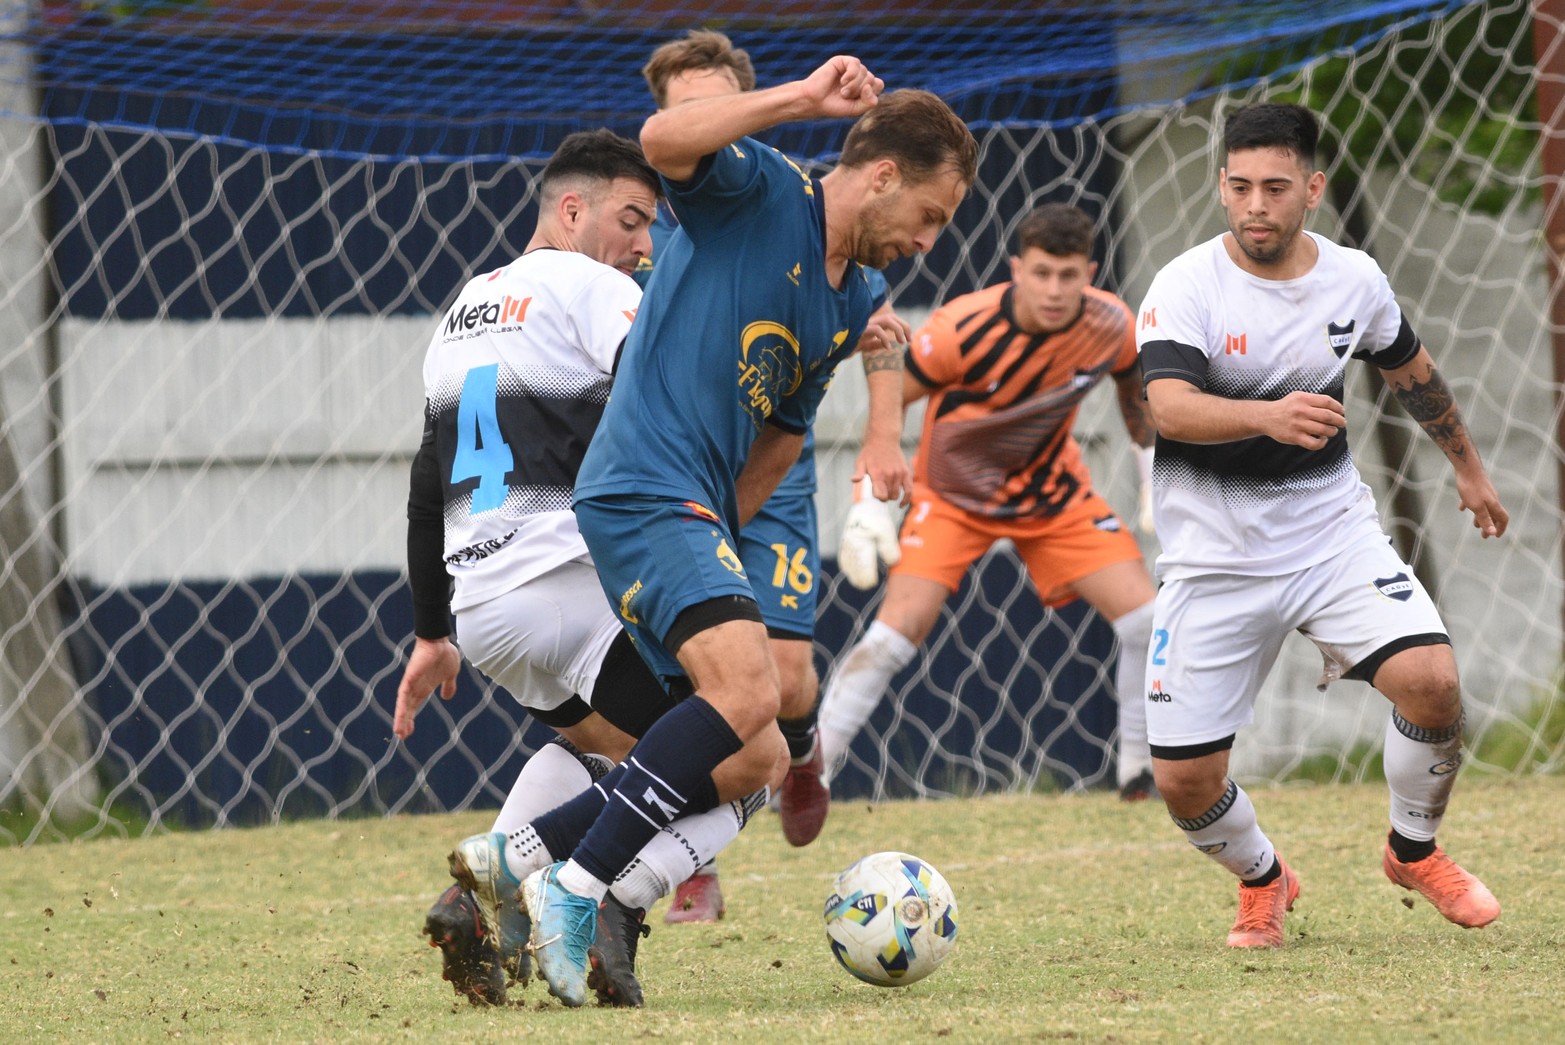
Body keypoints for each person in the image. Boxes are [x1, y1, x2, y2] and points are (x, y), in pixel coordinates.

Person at [510, 60, 978, 1008]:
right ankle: (573, 888)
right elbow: (658, 142)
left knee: (746, 751)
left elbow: (782, 430)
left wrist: (725, 532)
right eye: (928, 216)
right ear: (881, 174)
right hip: (640, 483)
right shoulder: (759, 188)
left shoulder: (850, 300)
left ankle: (512, 856)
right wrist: (805, 98)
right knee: (751, 685)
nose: (928, 243)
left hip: (696, 507)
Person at [394, 129, 765, 1008]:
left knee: (627, 760)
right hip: (571, 582)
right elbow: (666, 397)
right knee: (753, 749)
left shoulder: (456, 316)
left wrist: (431, 631)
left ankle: (476, 900)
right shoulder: (588, 284)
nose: (643, 245)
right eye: (632, 220)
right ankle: (582, 891)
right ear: (571, 210)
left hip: (488, 613)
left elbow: (422, 487)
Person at [1134, 102, 1507, 949]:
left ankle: (1412, 849)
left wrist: (1468, 465)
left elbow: (1409, 367)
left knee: (1432, 682)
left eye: (1273, 188)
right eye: (1237, 188)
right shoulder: (1184, 284)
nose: (1254, 206)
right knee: (1185, 779)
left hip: (1329, 539)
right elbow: (1170, 407)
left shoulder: (1352, 279)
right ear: (1220, 188)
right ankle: (1264, 877)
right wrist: (1263, 416)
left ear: (1312, 188)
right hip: (1214, 561)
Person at [635, 30, 912, 921]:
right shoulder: (648, 229)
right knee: (692, 680)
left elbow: (882, 332)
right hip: (673, 471)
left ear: (747, 103)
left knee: (783, 683)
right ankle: (691, 862)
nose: (705, 128)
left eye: (718, 104)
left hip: (770, 474)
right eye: (688, 113)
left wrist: (880, 438)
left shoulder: (789, 204)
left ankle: (802, 748)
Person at [810, 203, 1160, 835]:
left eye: (1070, 275)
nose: (1055, 290)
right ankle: (813, 778)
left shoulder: (1111, 324)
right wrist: (869, 500)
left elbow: (1135, 399)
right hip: (953, 500)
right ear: (1017, 269)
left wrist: (1154, 481)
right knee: (892, 637)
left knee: (1146, 619)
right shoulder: (959, 328)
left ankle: (1139, 771)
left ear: (1091, 273)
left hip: (1054, 498)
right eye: (1044, 273)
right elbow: (891, 392)